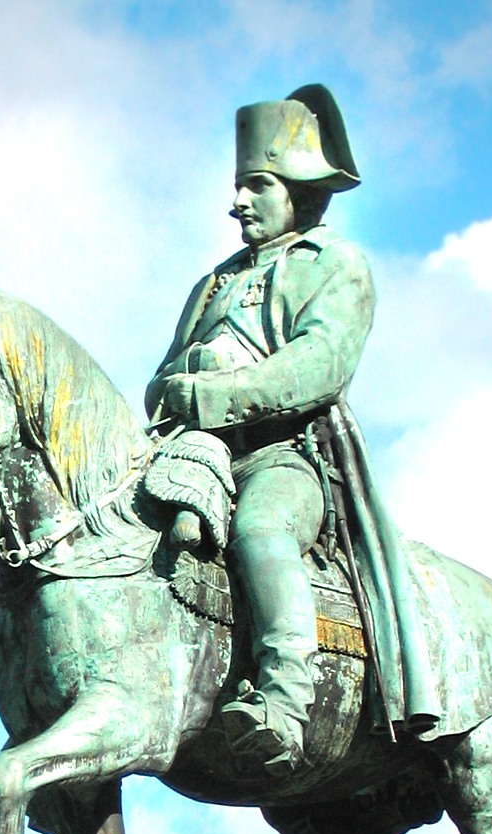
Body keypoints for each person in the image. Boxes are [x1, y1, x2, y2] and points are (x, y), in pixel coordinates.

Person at [146, 85, 439, 776]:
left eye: (256, 185)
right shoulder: (211, 284)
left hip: (287, 456)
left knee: (261, 529)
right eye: (239, 186)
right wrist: (181, 382)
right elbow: (160, 379)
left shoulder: (335, 263)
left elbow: (319, 366)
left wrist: (214, 391)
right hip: (195, 452)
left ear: (299, 196)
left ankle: (283, 704)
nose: (237, 201)